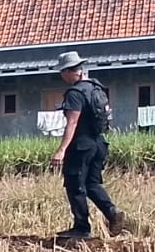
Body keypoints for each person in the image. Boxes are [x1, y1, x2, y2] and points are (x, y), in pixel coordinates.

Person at [50, 51, 127, 239]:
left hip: (81, 146)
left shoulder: (75, 93)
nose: (62, 75)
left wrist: (61, 150)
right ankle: (112, 212)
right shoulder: (96, 88)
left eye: (62, 71)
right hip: (99, 143)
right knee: (92, 183)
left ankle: (81, 228)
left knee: (75, 184)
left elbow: (72, 123)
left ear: (70, 71)